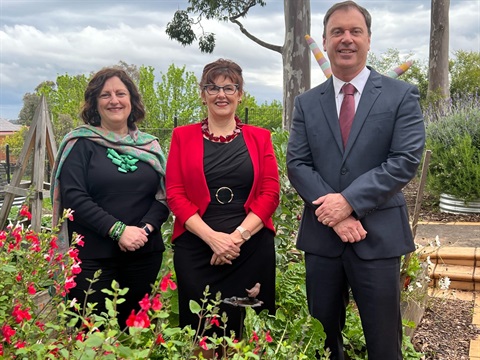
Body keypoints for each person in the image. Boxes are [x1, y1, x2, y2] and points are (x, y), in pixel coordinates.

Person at [286, 2, 425, 359]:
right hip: (323, 240)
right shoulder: (306, 103)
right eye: (337, 32)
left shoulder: (400, 95)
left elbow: (404, 160)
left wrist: (347, 203)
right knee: (324, 343)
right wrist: (336, 214)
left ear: (368, 39)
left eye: (354, 31)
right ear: (325, 40)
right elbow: (298, 164)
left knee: (384, 344)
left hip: (377, 240)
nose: (346, 39)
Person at [165, 58, 280, 353]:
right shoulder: (182, 136)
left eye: (229, 88)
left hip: (250, 246)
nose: (221, 95)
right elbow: (175, 193)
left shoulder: (260, 138)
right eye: (212, 87)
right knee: (202, 332)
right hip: (197, 246)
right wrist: (213, 239)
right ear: (202, 94)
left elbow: (270, 193)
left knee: (245, 335)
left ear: (240, 94)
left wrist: (235, 238)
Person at [51, 67, 169, 328]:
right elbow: (75, 197)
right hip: (92, 256)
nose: (114, 100)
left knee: (135, 335)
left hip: (144, 253)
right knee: (90, 335)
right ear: (95, 103)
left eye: (120, 93)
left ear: (132, 100)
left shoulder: (151, 147)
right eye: (105, 95)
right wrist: (118, 231)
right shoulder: (79, 144)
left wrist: (143, 230)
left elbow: (163, 198)